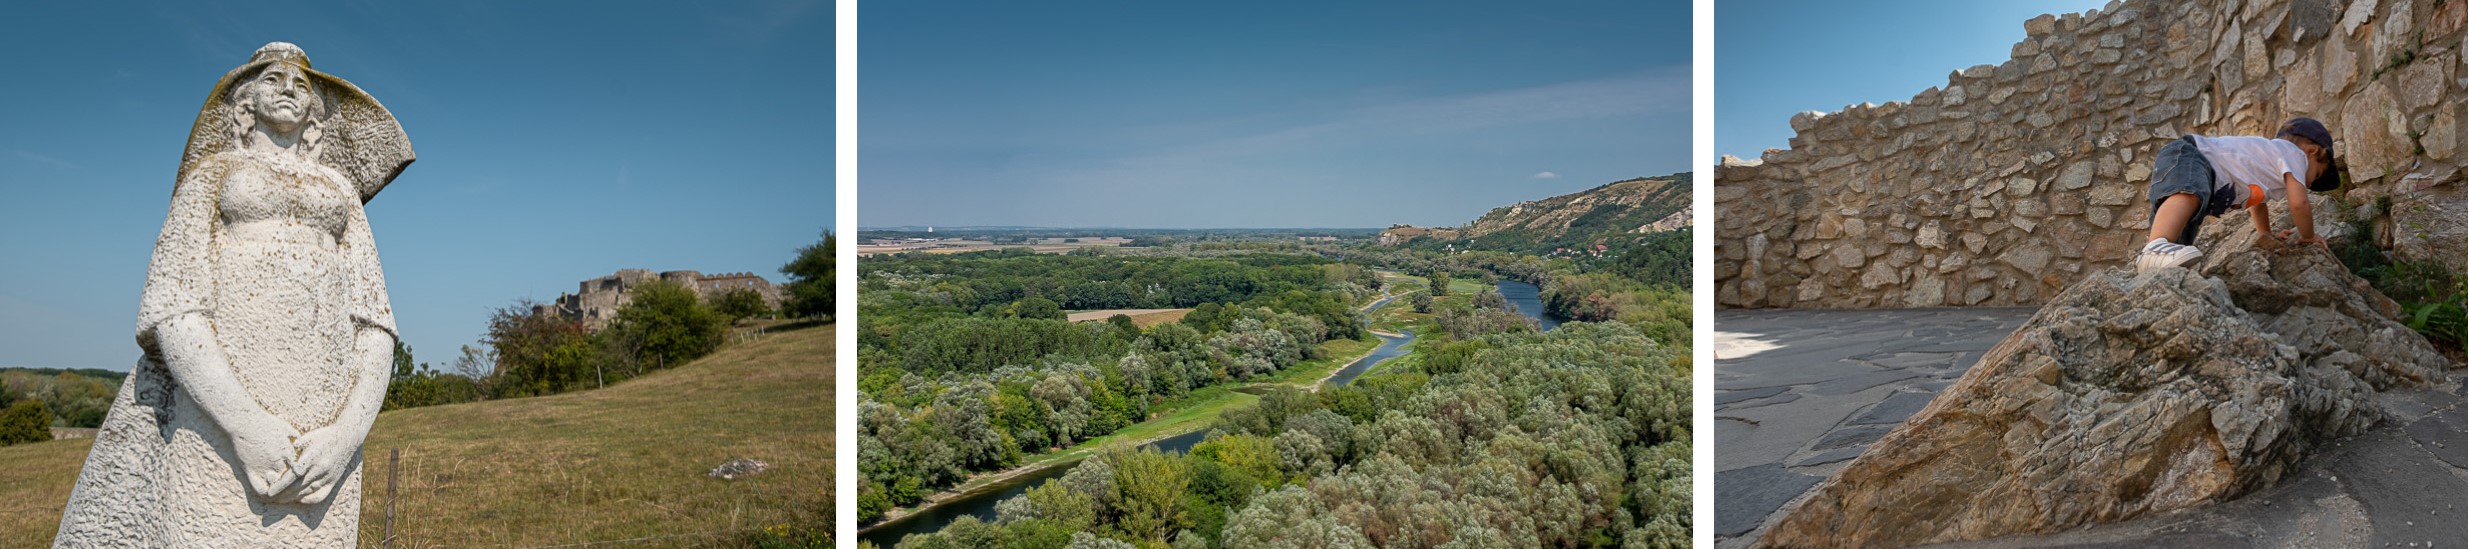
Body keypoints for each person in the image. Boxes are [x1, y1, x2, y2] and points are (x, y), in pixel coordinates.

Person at [54, 42, 414, 547]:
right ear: (246, 101)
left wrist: (345, 436)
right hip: (219, 427)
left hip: (326, 443)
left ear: (314, 112)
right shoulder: (212, 176)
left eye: (301, 84)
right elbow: (176, 306)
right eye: (273, 79)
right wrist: (246, 426)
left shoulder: (341, 193)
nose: (289, 88)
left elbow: (375, 323)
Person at [2134, 118, 2340, 272]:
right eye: (2317, 175)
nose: (2310, 184)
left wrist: (2265, 235)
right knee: (2189, 194)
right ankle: (2155, 247)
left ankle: (2158, 263)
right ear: (2312, 151)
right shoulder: (2295, 154)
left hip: (2197, 168)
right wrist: (2308, 236)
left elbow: (2258, 203)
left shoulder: (2268, 169)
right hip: (2193, 155)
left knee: (2183, 235)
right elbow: (2299, 204)